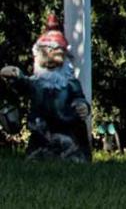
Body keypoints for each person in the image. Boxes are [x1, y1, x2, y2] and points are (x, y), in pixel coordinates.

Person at [1, 13, 92, 161]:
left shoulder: (69, 83)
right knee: (37, 156)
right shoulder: (36, 83)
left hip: (66, 130)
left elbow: (78, 98)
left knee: (71, 153)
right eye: (45, 55)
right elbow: (23, 85)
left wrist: (82, 106)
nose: (50, 62)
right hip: (40, 132)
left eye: (55, 55)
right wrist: (14, 75)